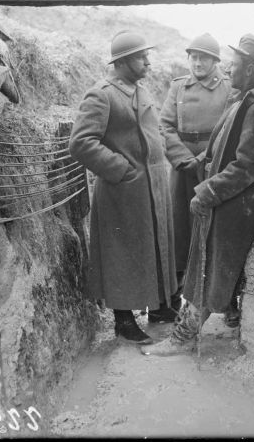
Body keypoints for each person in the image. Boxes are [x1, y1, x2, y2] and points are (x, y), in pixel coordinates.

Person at [142, 33, 254, 356]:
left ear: (249, 70)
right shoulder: (246, 100)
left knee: (206, 267)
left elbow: (246, 167)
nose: (229, 71)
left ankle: (184, 336)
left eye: (234, 66)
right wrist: (200, 168)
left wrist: (206, 192)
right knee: (208, 264)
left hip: (236, 204)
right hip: (228, 198)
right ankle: (208, 324)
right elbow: (221, 148)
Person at [69, 30, 178, 345]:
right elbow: (80, 142)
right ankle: (123, 321)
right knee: (123, 254)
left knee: (152, 249)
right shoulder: (102, 94)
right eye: (142, 56)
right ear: (123, 61)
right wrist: (121, 170)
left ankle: (158, 309)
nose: (147, 61)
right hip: (123, 192)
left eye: (147, 55)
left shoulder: (140, 90)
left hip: (151, 190)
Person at [159, 33, 232, 319]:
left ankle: (224, 301)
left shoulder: (227, 87)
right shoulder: (178, 86)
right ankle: (176, 293)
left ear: (216, 61)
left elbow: (228, 127)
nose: (198, 62)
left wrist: (204, 158)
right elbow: (164, 126)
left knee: (215, 225)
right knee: (179, 225)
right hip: (182, 165)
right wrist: (181, 158)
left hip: (214, 162)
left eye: (204, 57)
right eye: (194, 57)